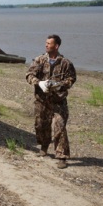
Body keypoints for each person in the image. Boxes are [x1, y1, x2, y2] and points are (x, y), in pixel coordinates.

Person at [25, 34, 77, 169]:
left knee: (59, 126)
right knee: (40, 125)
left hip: (58, 101)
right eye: (46, 43)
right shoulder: (39, 60)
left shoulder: (65, 63)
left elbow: (71, 79)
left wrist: (60, 85)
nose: (46, 45)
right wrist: (39, 82)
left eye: (49, 43)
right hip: (41, 100)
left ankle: (61, 156)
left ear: (56, 46)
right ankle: (44, 146)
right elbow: (29, 75)